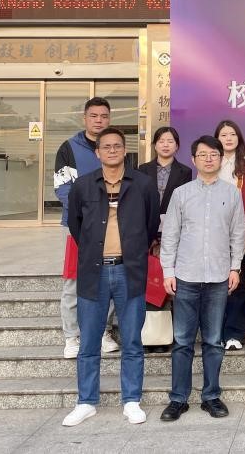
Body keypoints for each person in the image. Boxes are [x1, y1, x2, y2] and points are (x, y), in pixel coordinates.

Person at [62, 127, 160, 426]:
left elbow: (151, 224)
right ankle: (86, 401)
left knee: (131, 340)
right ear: (97, 152)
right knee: (89, 341)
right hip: (94, 272)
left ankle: (131, 400)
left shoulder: (143, 184)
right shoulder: (83, 186)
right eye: (106, 146)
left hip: (129, 270)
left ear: (125, 150)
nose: (112, 150)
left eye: (117, 146)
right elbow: (77, 227)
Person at [159, 135, 245, 422]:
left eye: (214, 154)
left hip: (219, 277)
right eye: (203, 154)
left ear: (221, 159)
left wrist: (235, 268)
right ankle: (178, 399)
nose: (209, 159)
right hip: (185, 276)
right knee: (183, 341)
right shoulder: (181, 193)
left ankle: (211, 396)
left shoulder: (232, 193)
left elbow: (238, 234)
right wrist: (168, 271)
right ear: (193, 159)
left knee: (213, 341)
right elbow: (170, 235)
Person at [54, 96, 118, 359]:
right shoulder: (69, 148)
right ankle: (72, 337)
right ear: (85, 118)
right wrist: (88, 215)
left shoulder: (114, 146)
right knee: (74, 281)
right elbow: (63, 189)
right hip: (79, 227)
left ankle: (103, 332)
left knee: (109, 279)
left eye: (104, 116)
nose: (99, 120)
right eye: (94, 116)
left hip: (111, 227)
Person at [137, 126, 193, 353]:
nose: (166, 145)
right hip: (147, 233)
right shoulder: (142, 170)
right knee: (151, 283)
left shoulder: (185, 171)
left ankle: (170, 336)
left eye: (170, 141)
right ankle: (151, 337)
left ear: (177, 146)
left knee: (172, 284)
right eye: (161, 141)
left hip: (175, 233)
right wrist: (149, 234)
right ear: (155, 145)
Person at [215, 120, 245, 351]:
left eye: (232, 134)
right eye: (223, 135)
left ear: (239, 137)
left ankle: (234, 333)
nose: (228, 138)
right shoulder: (211, 161)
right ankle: (216, 331)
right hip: (214, 230)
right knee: (216, 284)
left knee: (238, 284)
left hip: (240, 230)